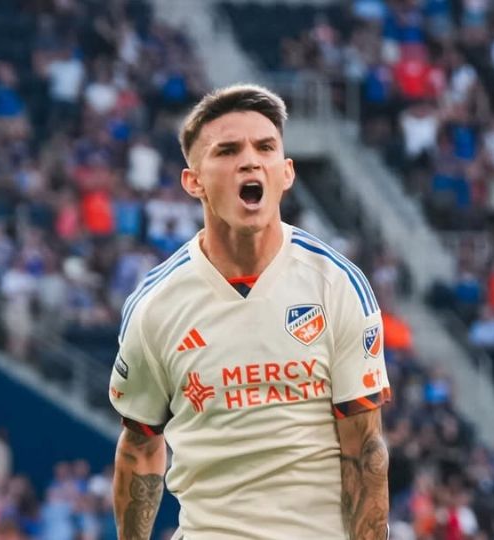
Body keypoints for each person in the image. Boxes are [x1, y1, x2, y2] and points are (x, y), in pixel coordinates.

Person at [108, 84, 390, 539]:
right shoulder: (156, 305)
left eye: (265, 148)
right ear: (194, 182)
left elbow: (365, 450)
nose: (250, 161)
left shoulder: (337, 285)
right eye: (227, 151)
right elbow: (140, 448)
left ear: (286, 172)